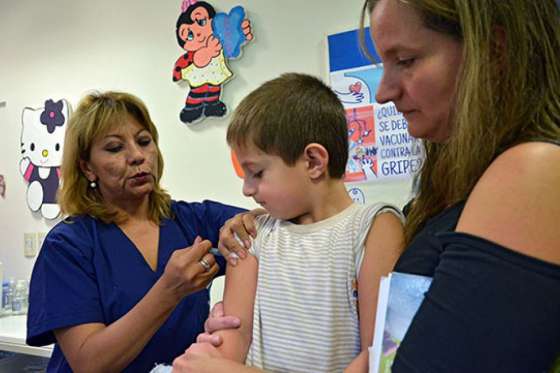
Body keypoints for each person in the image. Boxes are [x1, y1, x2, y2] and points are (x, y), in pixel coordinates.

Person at [175, 0, 560, 372]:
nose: (383, 91)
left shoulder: (531, 172)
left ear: (493, 50)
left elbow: (382, 358)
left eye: (405, 60)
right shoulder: (447, 193)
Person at [172, 73, 405, 373]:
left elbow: (380, 360)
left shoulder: (374, 227)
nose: (247, 190)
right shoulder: (252, 233)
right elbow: (231, 341)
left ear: (313, 162)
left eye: (256, 173)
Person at [25, 91, 250, 372]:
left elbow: (269, 223)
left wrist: (244, 223)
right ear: (87, 168)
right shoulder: (68, 245)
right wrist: (168, 291)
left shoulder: (192, 221)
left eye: (144, 141)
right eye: (115, 148)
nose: (137, 156)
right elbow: (89, 362)